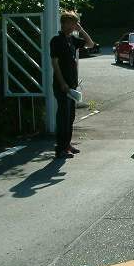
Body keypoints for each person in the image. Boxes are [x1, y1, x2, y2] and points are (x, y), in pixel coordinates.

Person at [50, 10, 95, 159]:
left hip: (72, 85)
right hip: (62, 86)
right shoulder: (56, 40)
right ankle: (60, 148)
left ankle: (67, 144)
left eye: (76, 23)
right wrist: (62, 83)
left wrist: (81, 30)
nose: (74, 25)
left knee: (70, 117)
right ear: (64, 23)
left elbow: (90, 44)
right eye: (72, 22)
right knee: (63, 117)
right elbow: (55, 63)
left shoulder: (72, 40)